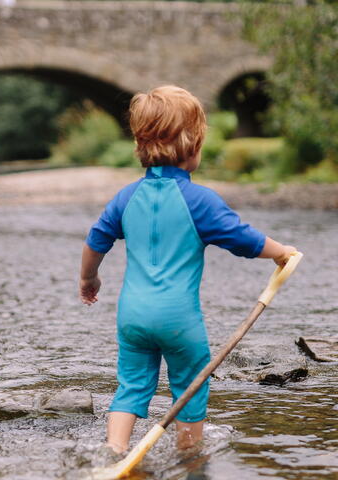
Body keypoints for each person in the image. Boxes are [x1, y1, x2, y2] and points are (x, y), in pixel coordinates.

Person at [79, 85, 296, 455]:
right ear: (194, 146)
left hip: (131, 316)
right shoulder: (199, 200)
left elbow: (96, 239)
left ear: (139, 144)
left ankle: (113, 450)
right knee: (191, 384)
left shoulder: (126, 197)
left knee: (131, 385)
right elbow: (242, 239)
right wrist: (281, 253)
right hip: (179, 319)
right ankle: (189, 455)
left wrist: (88, 278)